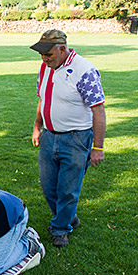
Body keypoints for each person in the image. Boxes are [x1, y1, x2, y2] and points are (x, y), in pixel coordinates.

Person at [30, 29, 106, 248]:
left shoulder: (85, 71)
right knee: (48, 186)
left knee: (68, 188)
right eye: (41, 54)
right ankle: (68, 217)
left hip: (76, 139)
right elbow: (42, 100)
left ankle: (61, 228)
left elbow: (98, 111)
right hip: (49, 137)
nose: (44, 58)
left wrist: (97, 147)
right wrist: (37, 126)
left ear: (62, 49)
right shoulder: (45, 68)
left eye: (48, 54)